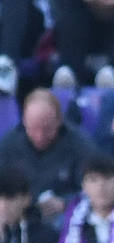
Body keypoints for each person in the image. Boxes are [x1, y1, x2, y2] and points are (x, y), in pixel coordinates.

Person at [0, 89, 100, 222]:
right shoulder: (8, 145)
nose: (40, 136)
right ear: (24, 121)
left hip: (64, 216)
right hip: (19, 214)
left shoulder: (79, 145)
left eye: (47, 129)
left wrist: (66, 202)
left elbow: (95, 189)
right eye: (34, 128)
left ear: (59, 121)